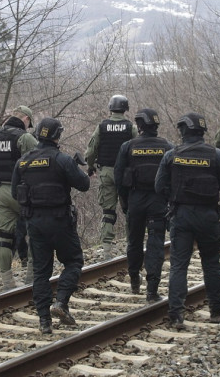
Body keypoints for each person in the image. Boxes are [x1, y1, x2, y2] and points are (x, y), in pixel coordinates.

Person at [12, 117, 90, 334]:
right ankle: (61, 302)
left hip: (34, 224)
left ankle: (44, 321)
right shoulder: (62, 159)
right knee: (74, 261)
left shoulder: (23, 162)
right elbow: (84, 185)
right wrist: (77, 167)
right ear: (57, 136)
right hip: (60, 222)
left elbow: (14, 194)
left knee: (40, 272)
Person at [155, 112, 220, 329]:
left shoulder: (171, 155)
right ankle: (216, 311)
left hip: (181, 216)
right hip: (208, 216)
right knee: (211, 263)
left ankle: (176, 314)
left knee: (179, 265)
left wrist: (174, 198)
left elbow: (158, 187)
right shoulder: (216, 155)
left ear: (183, 131)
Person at [114, 108, 173, 302]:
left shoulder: (128, 146)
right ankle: (152, 290)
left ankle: (134, 281)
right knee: (156, 243)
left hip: (135, 200)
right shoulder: (167, 147)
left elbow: (118, 177)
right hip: (158, 201)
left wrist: (124, 203)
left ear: (139, 126)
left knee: (134, 241)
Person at [0, 105, 38, 289]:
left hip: (1, 192)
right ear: (25, 119)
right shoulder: (24, 138)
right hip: (24, 193)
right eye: (29, 123)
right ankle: (31, 278)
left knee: (4, 237)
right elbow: (39, 162)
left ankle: (8, 282)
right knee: (35, 234)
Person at [85, 95, 138, 260]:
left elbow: (92, 150)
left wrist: (91, 166)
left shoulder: (102, 127)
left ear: (110, 108)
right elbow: (137, 149)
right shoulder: (131, 128)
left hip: (106, 172)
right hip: (126, 174)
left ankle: (107, 249)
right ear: (125, 109)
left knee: (108, 210)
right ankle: (132, 245)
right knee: (130, 210)